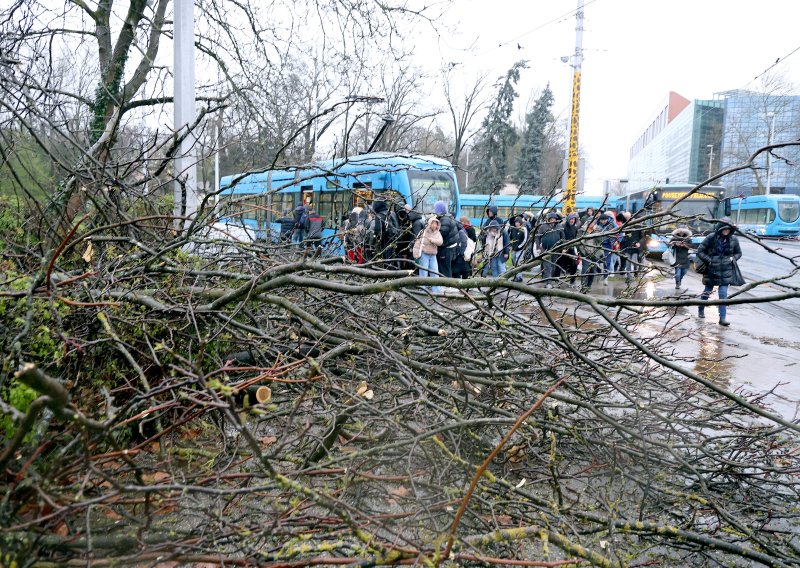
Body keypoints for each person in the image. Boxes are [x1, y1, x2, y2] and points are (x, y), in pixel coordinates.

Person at [696, 220, 742, 326]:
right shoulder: (711, 237)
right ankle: (701, 308)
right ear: (720, 229)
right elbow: (700, 251)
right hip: (711, 270)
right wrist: (709, 260)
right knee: (707, 291)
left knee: (723, 294)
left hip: (726, 270)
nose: (726, 231)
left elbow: (738, 253)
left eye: (728, 229)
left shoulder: (734, 239)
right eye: (724, 229)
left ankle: (722, 318)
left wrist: (733, 259)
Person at [412, 216, 443, 294]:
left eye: (436, 224)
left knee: (435, 272)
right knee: (423, 272)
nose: (434, 225)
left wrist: (433, 240)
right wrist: (415, 254)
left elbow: (440, 242)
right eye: (433, 223)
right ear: (429, 224)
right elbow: (417, 243)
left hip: (433, 255)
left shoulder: (438, 233)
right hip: (424, 254)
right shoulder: (423, 232)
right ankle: (422, 288)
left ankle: (436, 289)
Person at [535, 211, 565, 288]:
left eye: (554, 219)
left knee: (553, 266)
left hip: (555, 250)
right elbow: (537, 237)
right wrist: (538, 247)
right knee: (547, 266)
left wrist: (563, 248)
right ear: (548, 219)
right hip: (545, 250)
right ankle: (548, 283)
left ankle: (548, 280)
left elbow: (563, 238)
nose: (552, 220)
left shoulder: (559, 227)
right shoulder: (543, 226)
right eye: (551, 219)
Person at [554, 212, 581, 288]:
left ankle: (572, 281)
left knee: (574, 264)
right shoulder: (562, 226)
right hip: (562, 249)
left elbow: (575, 238)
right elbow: (560, 237)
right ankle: (556, 281)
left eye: (573, 219)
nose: (572, 220)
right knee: (558, 265)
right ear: (568, 219)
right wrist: (562, 248)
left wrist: (576, 248)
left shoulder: (575, 228)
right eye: (571, 219)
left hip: (571, 248)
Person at [434, 200, 459, 279]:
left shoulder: (445, 220)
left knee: (444, 269)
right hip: (449, 247)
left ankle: (446, 284)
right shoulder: (447, 218)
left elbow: (442, 233)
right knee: (446, 268)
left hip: (446, 248)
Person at [577, 222, 604, 291]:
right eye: (591, 223)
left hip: (595, 254)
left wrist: (596, 232)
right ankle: (583, 286)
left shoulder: (598, 230)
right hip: (585, 253)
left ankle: (589, 286)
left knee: (592, 270)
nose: (592, 224)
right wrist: (582, 251)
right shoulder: (582, 230)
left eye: (593, 223)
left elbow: (600, 240)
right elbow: (578, 242)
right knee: (585, 269)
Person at [508, 216, 528, 282]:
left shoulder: (524, 229)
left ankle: (519, 277)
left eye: (518, 222)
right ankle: (516, 276)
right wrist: (510, 246)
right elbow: (510, 238)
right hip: (514, 249)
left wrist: (519, 246)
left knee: (518, 262)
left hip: (520, 249)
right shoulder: (513, 229)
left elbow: (525, 239)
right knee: (514, 262)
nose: (517, 223)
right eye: (516, 222)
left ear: (520, 222)